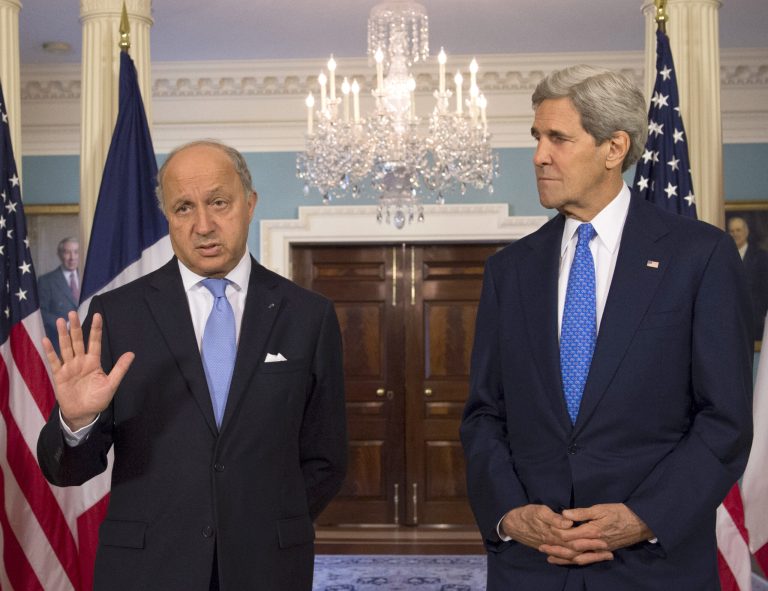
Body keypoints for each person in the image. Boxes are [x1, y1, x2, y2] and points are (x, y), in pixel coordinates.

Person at [460, 65, 753, 590]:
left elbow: (724, 421)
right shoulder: (509, 270)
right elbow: (484, 413)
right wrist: (510, 513)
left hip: (652, 565)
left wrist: (642, 518)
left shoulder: (700, 257)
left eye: (558, 138)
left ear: (614, 147)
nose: (538, 156)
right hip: (533, 565)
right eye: (536, 137)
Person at [36, 140, 347, 591]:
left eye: (219, 202)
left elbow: (326, 457)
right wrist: (76, 421)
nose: (203, 225)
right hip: (147, 570)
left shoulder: (309, 316)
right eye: (183, 208)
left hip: (268, 567)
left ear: (250, 203)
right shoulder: (117, 315)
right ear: (169, 219)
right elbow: (66, 471)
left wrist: (262, 523)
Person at [728, 215, 768, 341]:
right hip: (730, 320)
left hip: (755, 320)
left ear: (746, 231)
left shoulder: (761, 257)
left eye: (738, 230)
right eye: (732, 231)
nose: (735, 234)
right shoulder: (724, 257)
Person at [37, 236, 80, 354]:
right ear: (59, 254)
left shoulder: (89, 279)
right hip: (59, 343)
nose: (72, 257)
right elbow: (41, 312)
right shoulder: (46, 281)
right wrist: (64, 325)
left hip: (87, 342)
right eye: (67, 252)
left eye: (76, 252)